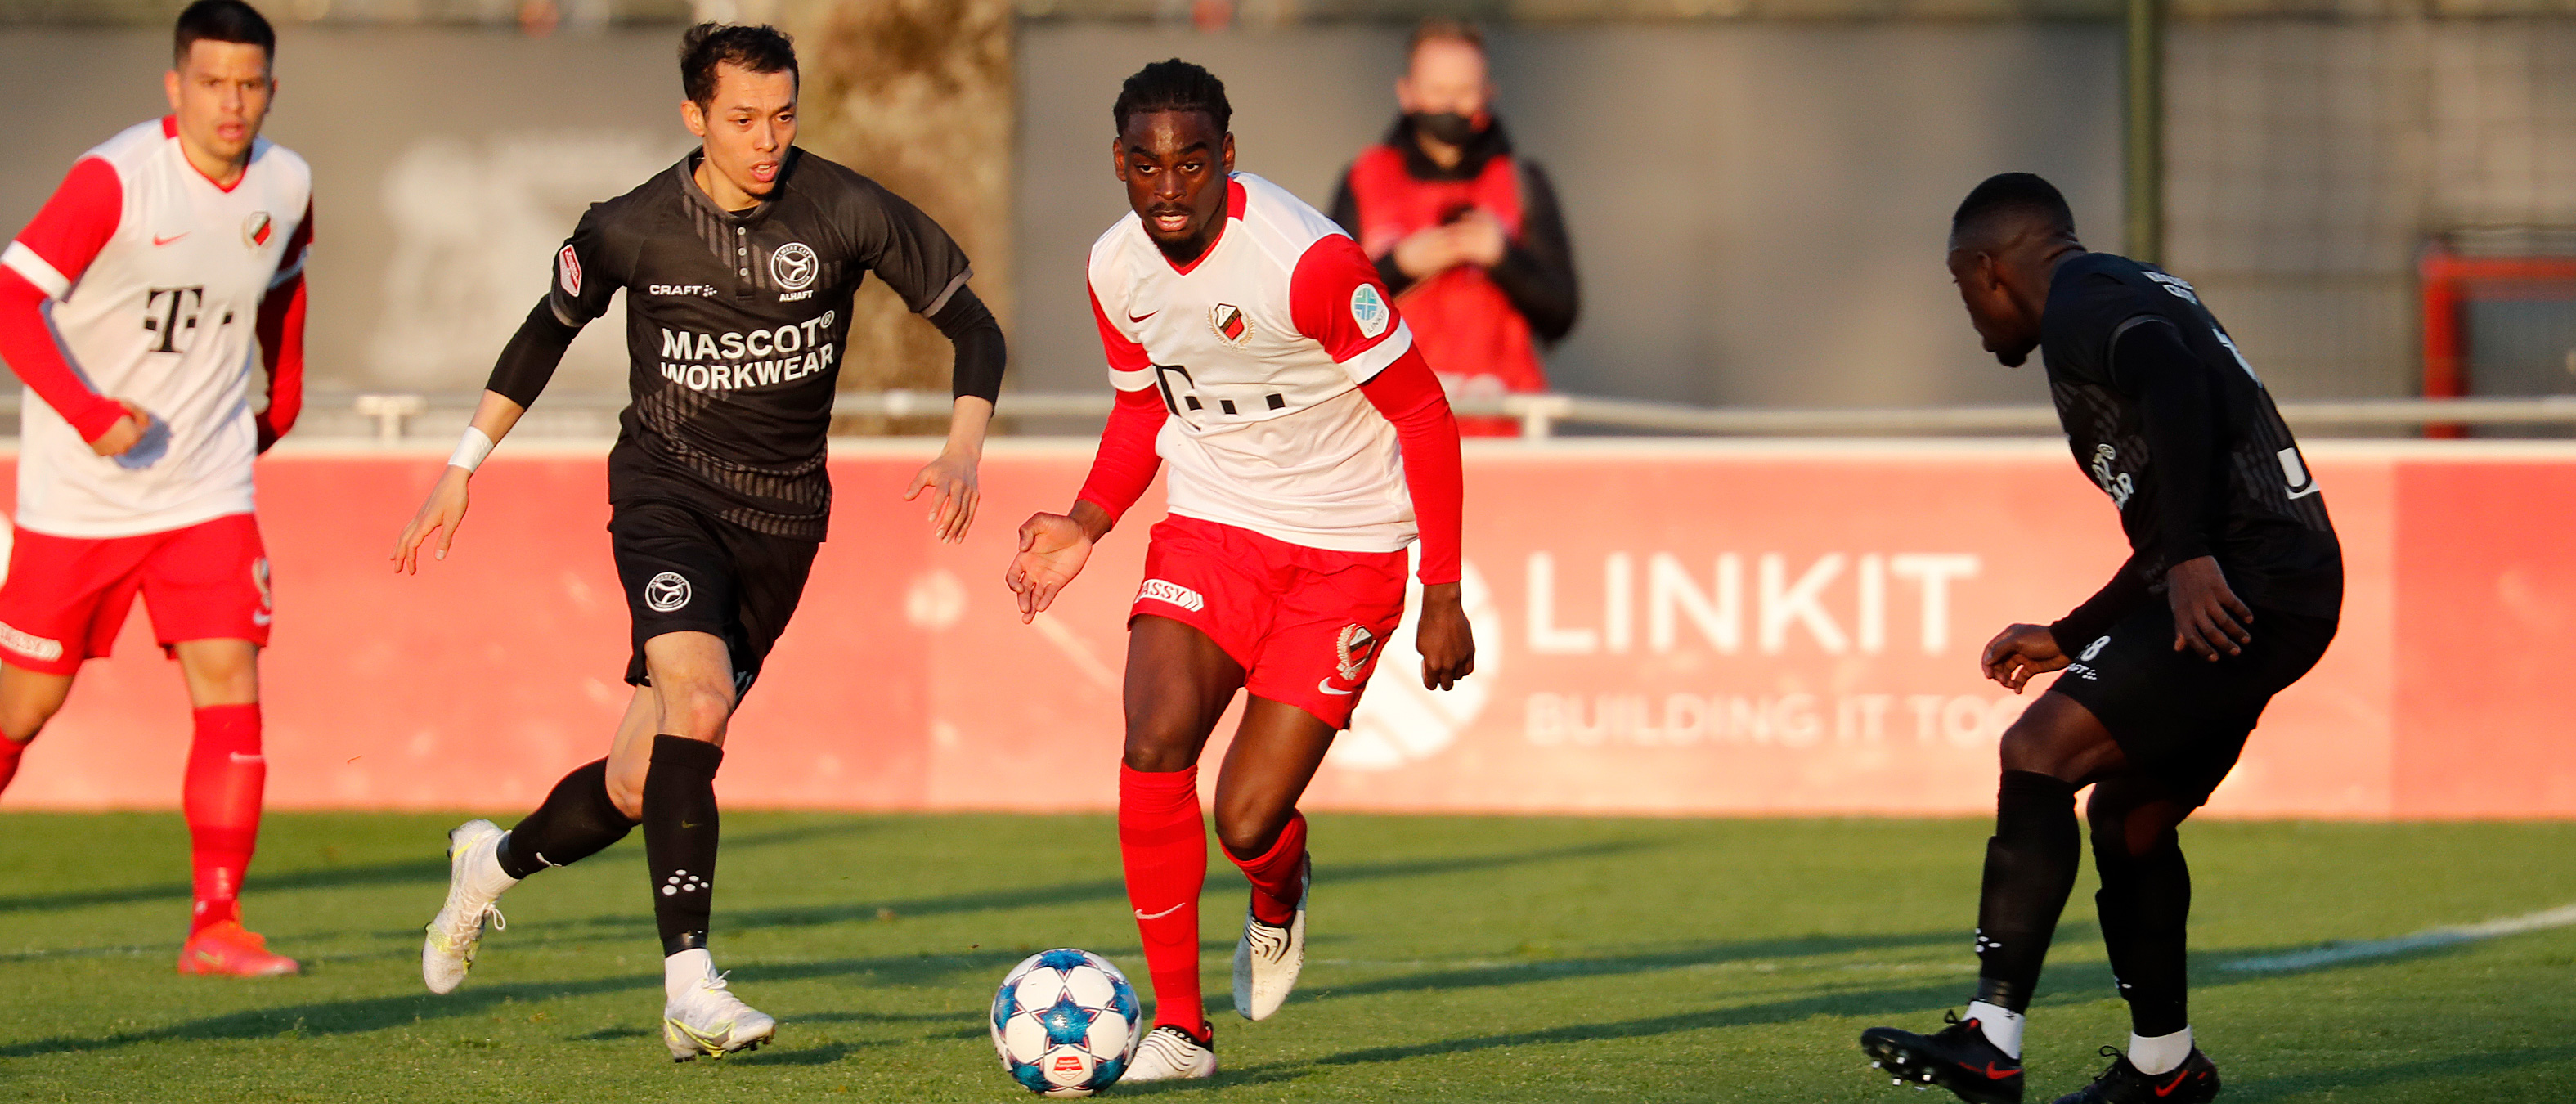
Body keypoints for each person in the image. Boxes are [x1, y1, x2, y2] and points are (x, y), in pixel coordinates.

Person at [390, 23, 1005, 1061]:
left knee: (640, 781)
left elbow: (976, 328)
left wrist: (962, 451)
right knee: (702, 704)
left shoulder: (845, 207)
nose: (769, 139)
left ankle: (486, 869)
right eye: (742, 120)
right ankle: (691, 987)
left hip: (786, 524)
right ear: (694, 118)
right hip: (666, 494)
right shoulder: (631, 227)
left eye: (783, 115)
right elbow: (545, 332)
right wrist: (461, 465)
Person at [1004, 59, 1474, 1082]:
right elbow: (1142, 407)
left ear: (1227, 156)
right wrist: (1088, 523)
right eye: (1145, 164)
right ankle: (1181, 1027)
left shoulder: (1308, 264)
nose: (1167, 186)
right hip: (1215, 523)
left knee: (1248, 819)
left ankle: (1279, 885)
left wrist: (1441, 591)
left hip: (1348, 550)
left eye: (1190, 162)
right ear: (1119, 164)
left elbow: (1424, 414)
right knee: (1154, 740)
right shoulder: (1114, 268)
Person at [1858, 173, 2341, 1104]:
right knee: (2129, 817)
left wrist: (2197, 557)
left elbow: (2171, 379)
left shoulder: (2085, 303)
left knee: (2036, 752)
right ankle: (2164, 1069)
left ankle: (1990, 1039)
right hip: (2278, 581)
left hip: (2253, 583)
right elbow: (2171, 511)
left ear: (1986, 269)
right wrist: (2074, 631)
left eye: (1964, 294)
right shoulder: (2119, 289)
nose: (1972, 317)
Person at [0, 0, 309, 978]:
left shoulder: (287, 181)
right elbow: (11, 299)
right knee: (22, 710)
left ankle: (216, 924)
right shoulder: (115, 179)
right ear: (175, 87)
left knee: (232, 686)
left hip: (206, 488)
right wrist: (91, 414)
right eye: (213, 82)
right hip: (80, 498)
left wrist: (282, 402)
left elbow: (283, 288)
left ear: (270, 87)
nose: (234, 101)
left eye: (250, 82)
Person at [1327, 20, 1576, 437]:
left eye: (1464, 92)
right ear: (1407, 93)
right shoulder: (1364, 178)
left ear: (1488, 94)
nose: (1451, 107)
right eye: (1438, 92)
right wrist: (1399, 265)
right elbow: (1329, 314)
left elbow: (1562, 314)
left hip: (1503, 429)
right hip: (1393, 434)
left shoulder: (1522, 182)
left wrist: (1503, 260)